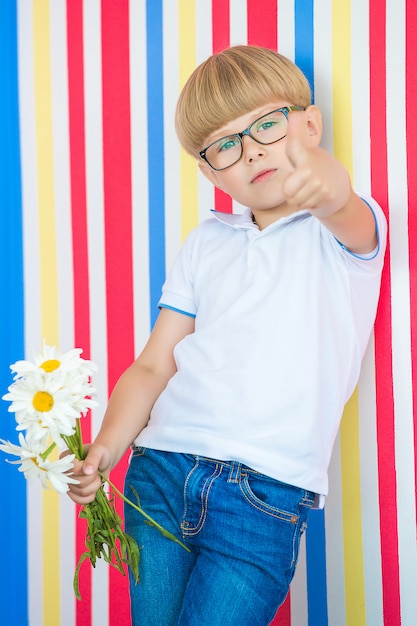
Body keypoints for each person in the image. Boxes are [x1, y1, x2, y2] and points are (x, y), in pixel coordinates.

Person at [67, 45, 387, 625]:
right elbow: (153, 366)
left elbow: (343, 206)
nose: (254, 149)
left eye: (267, 123)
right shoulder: (207, 242)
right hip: (161, 471)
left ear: (310, 124)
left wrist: (329, 180)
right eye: (225, 144)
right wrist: (107, 448)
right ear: (210, 171)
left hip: (263, 497)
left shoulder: (340, 235)